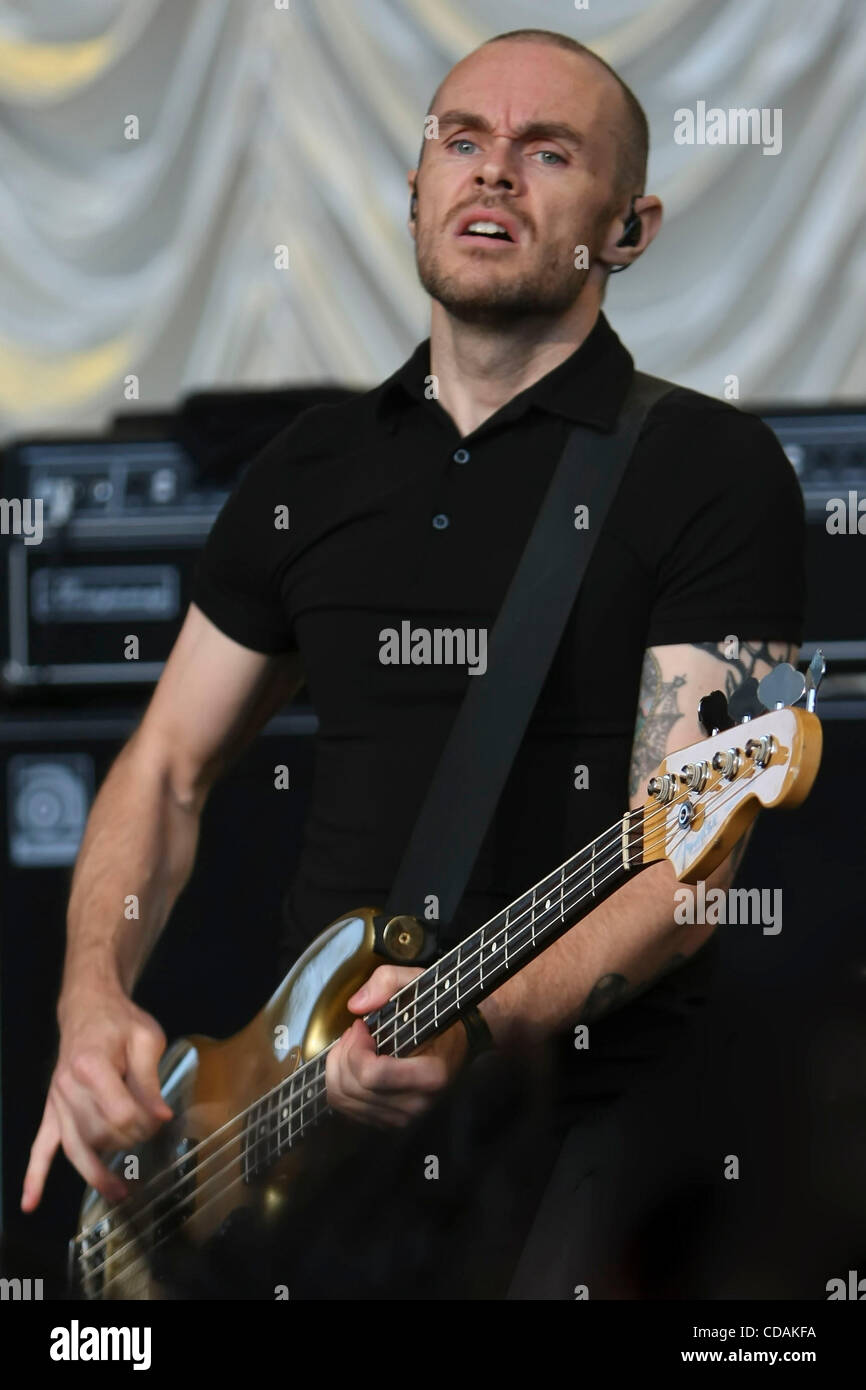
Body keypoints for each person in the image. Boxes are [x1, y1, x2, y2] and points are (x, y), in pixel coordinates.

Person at [21, 28, 805, 1297]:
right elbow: (164, 766)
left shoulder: (707, 469)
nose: (491, 174)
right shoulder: (309, 467)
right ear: (415, 188)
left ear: (630, 226)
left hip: (573, 1143)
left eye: (546, 152)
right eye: (461, 141)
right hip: (284, 1130)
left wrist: (478, 1022)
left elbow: (692, 858)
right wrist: (90, 999)